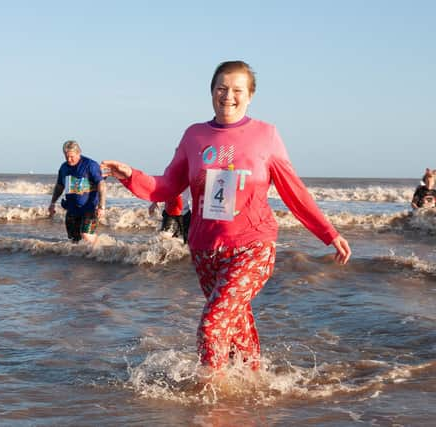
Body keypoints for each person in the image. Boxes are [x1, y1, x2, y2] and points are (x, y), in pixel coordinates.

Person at [101, 60, 351, 371]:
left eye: (237, 90)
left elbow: (294, 191)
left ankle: (211, 399)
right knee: (235, 332)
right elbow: (166, 186)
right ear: (211, 92)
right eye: (221, 88)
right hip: (206, 251)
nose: (228, 96)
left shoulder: (266, 135)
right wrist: (130, 174)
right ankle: (253, 392)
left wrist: (329, 233)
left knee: (212, 326)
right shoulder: (194, 136)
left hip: (253, 247)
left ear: (250, 95)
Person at [49, 140, 106, 243]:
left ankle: (102, 251)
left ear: (79, 153)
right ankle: (81, 258)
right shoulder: (64, 168)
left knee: (86, 235)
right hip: (72, 209)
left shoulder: (90, 165)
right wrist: (52, 203)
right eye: (66, 157)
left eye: (72, 157)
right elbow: (59, 186)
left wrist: (101, 206)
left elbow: (101, 184)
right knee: (74, 241)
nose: (69, 160)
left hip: (89, 208)